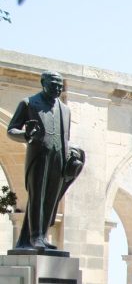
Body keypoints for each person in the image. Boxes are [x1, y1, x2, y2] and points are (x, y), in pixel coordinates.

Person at [6, 71, 85, 251]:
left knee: (51, 198)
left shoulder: (65, 109)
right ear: (43, 83)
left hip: (59, 158)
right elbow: (11, 130)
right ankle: (36, 237)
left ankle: (41, 235)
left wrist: (72, 154)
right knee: (37, 196)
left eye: (59, 85)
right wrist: (25, 135)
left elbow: (66, 137)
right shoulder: (29, 103)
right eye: (53, 84)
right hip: (38, 157)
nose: (57, 88)